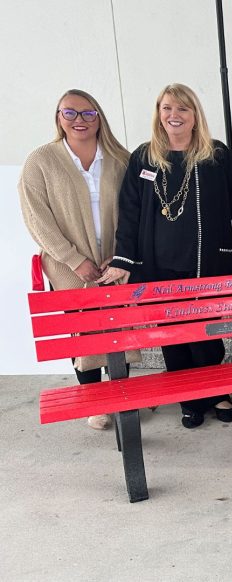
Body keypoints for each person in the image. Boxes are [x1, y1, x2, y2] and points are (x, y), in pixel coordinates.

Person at [97, 83, 232, 429]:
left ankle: (216, 391)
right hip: (159, 264)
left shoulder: (216, 156)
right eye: (167, 108)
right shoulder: (143, 158)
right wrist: (122, 260)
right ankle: (189, 399)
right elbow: (129, 213)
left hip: (206, 263)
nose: (173, 116)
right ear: (158, 114)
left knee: (208, 332)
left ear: (195, 116)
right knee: (172, 336)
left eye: (182, 109)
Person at [18, 89, 131, 431]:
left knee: (117, 328)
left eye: (88, 113)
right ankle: (95, 402)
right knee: (83, 332)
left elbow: (134, 209)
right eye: (70, 113)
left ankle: (123, 395)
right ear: (58, 117)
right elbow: (37, 218)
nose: (79, 120)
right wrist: (74, 259)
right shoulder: (41, 161)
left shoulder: (119, 158)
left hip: (113, 260)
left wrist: (122, 255)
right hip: (68, 265)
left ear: (99, 118)